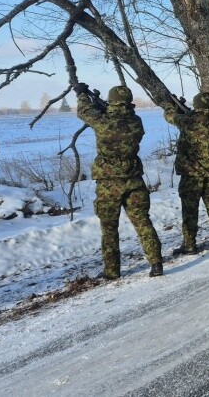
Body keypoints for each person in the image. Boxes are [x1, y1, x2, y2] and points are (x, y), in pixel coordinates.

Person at [76, 84, 163, 279]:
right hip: (134, 180)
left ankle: (112, 271)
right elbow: (119, 117)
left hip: (109, 184)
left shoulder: (103, 121)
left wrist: (81, 93)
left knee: (109, 228)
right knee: (142, 222)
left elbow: (84, 111)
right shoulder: (136, 122)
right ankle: (156, 262)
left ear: (111, 101)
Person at [165, 92, 209, 252]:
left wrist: (169, 105)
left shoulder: (188, 120)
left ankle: (190, 244)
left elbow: (170, 116)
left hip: (191, 174)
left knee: (190, 210)